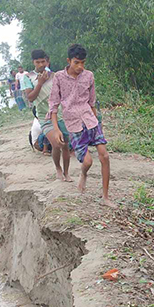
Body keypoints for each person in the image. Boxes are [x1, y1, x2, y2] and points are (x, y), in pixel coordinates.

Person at [48, 44, 115, 207]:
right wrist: (56, 130)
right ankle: (83, 174)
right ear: (68, 61)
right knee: (87, 162)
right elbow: (53, 106)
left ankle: (105, 197)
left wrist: (99, 123)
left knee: (104, 156)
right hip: (73, 124)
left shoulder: (89, 76)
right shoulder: (58, 77)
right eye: (76, 62)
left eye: (83, 63)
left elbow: (91, 102)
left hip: (90, 120)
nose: (80, 67)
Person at [22, 50, 72, 181]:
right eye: (37, 62)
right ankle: (58, 169)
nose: (40, 64)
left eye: (43, 61)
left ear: (47, 61)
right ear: (33, 62)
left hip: (60, 115)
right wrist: (39, 83)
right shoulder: (28, 78)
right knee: (56, 144)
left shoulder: (55, 76)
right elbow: (31, 98)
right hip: (45, 117)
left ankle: (67, 172)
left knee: (65, 145)